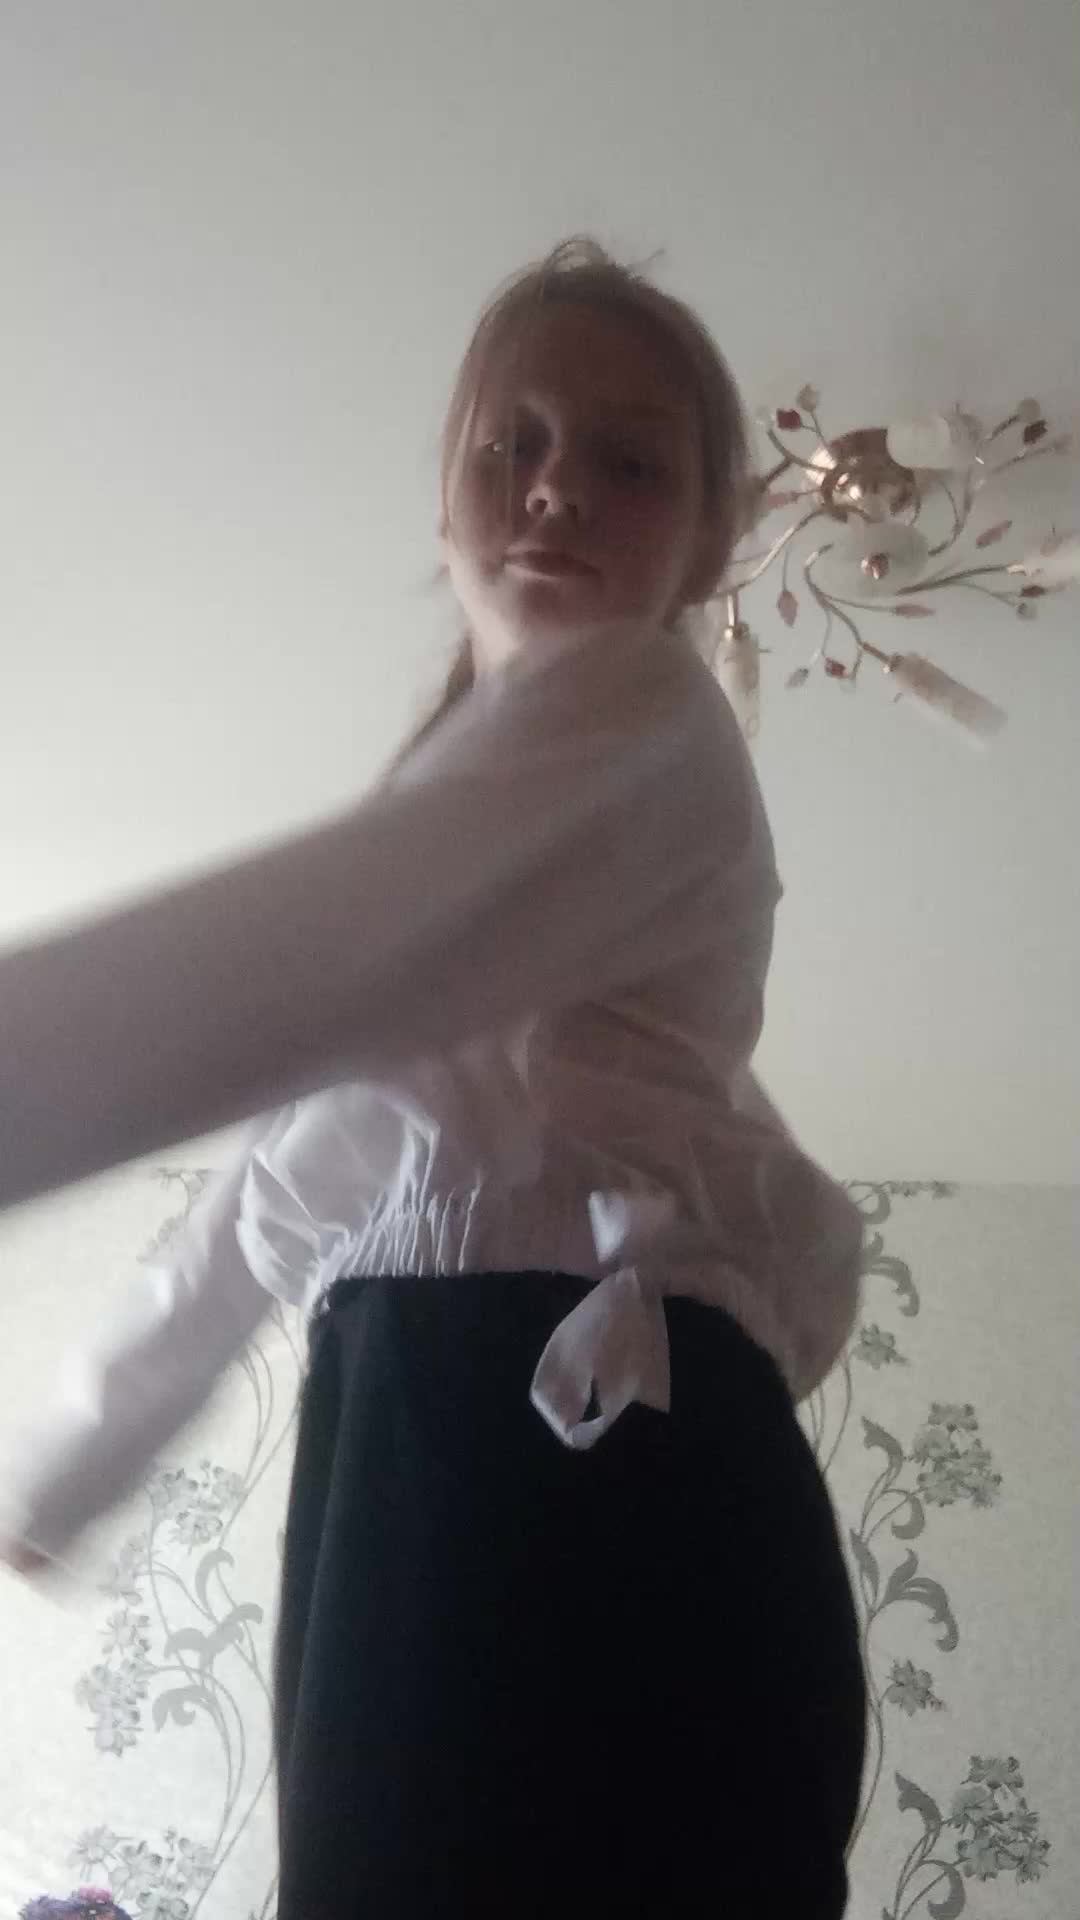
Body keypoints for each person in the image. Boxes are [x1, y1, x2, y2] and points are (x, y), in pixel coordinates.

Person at [1, 238, 867, 1916]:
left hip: (572, 1439)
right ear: (447, 502)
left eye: (628, 461)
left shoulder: (647, 713)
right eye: (511, 443)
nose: (556, 485)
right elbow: (283, 1185)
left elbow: (313, 951)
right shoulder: (459, 871)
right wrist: (78, 1451)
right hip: (417, 1435)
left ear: (711, 542)